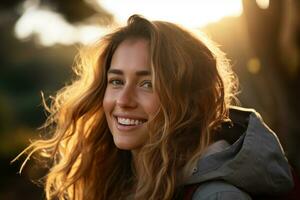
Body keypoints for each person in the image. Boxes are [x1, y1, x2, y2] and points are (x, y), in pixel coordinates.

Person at [16, 14, 294, 200]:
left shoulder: (217, 196)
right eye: (115, 81)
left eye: (147, 83)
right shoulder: (123, 180)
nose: (123, 100)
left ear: (190, 98)